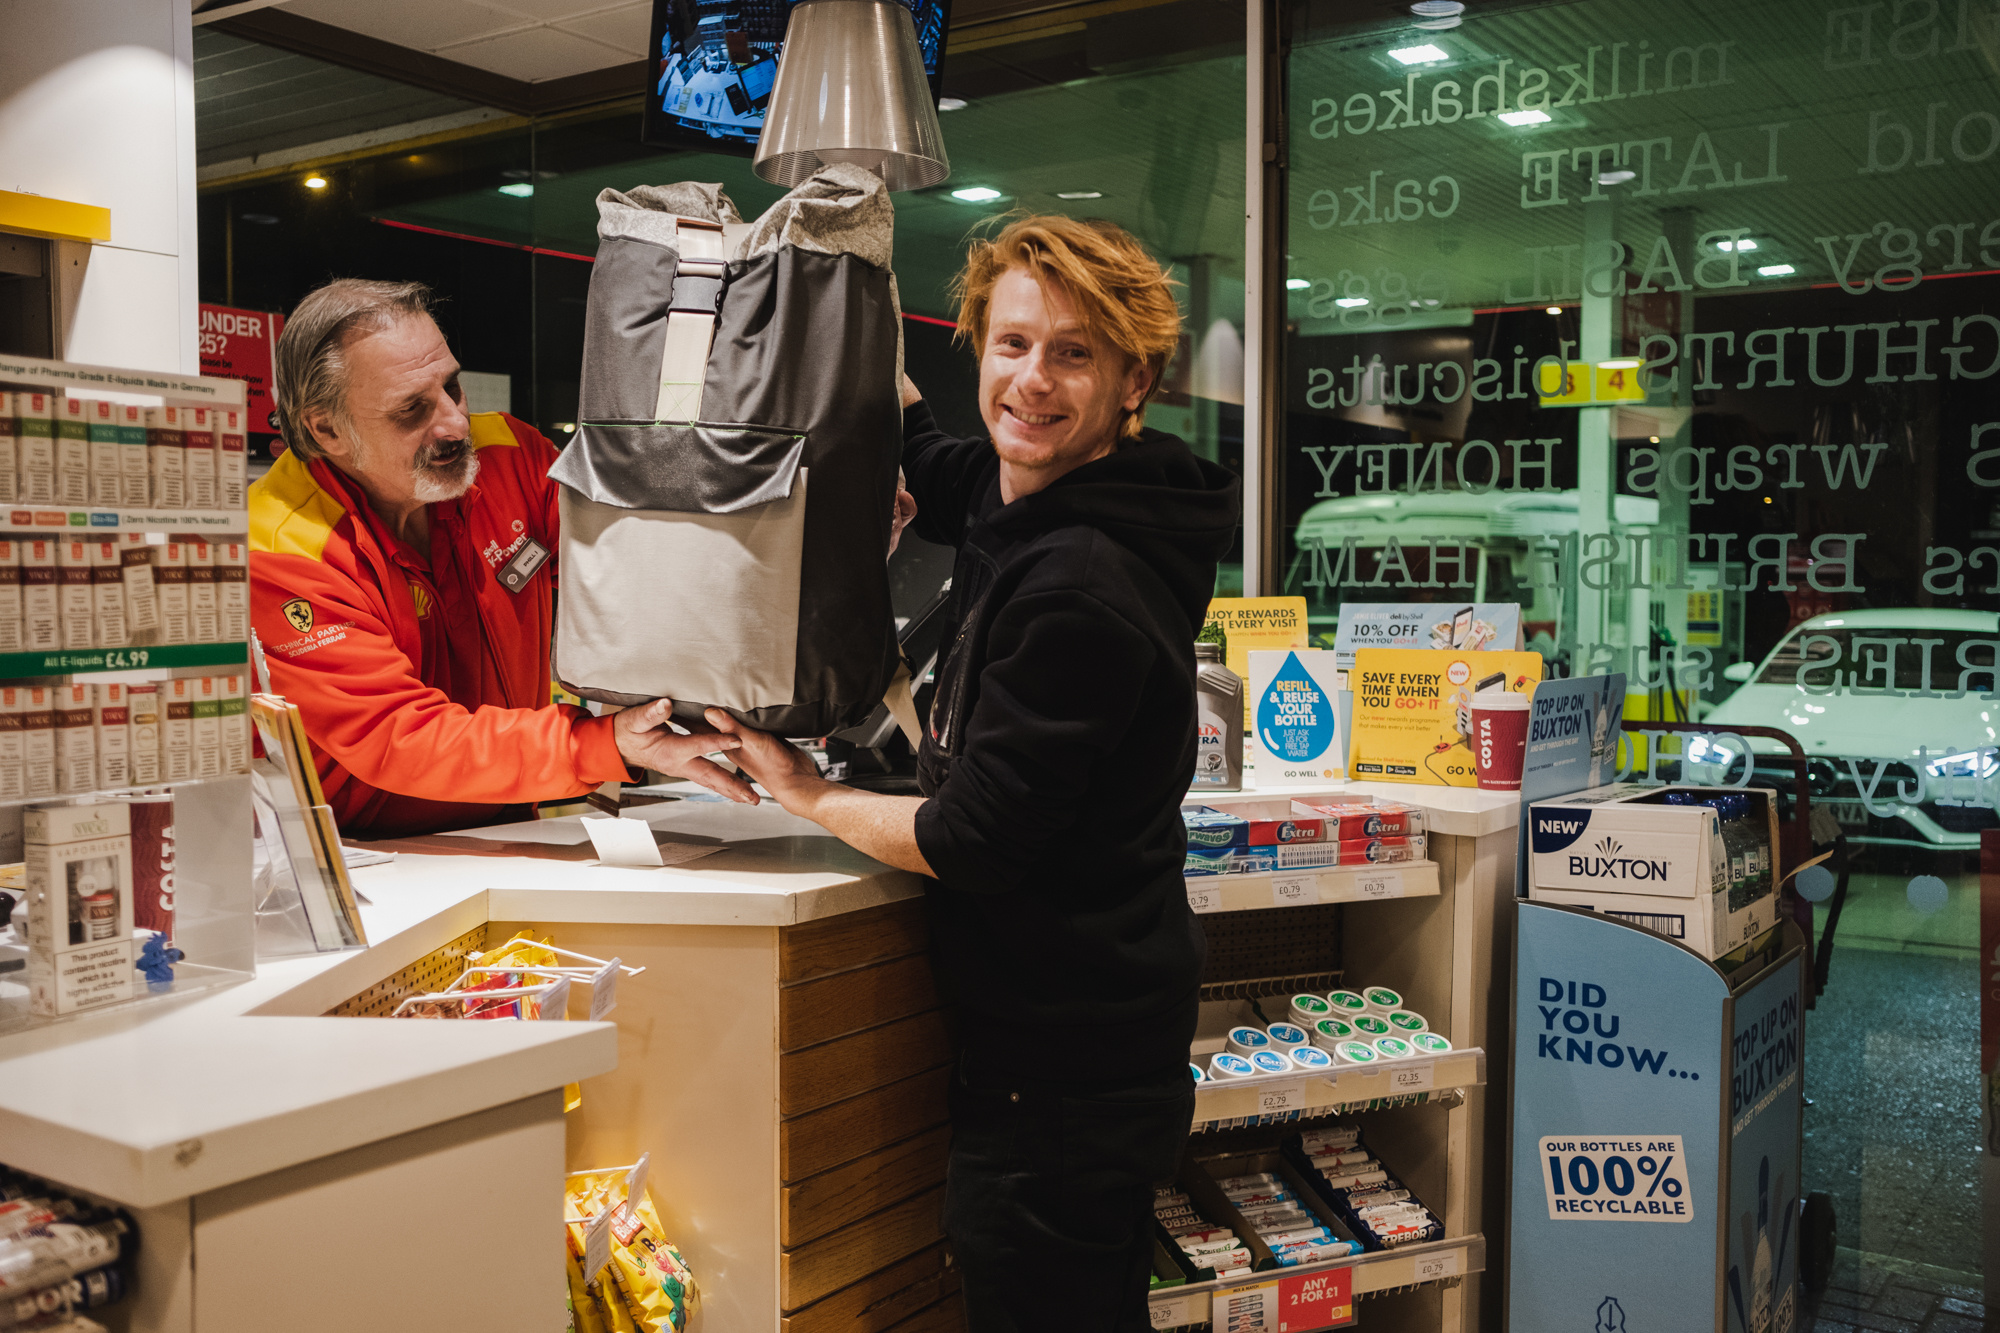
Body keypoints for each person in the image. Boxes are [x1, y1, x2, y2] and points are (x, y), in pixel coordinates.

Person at [712, 216, 1240, 1331]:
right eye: (1009, 345)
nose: (1030, 383)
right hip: (1089, 1036)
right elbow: (943, 466)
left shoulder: (1078, 586)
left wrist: (806, 792)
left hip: (1063, 1067)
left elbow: (974, 840)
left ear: (1134, 377)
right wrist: (847, 315)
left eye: (1072, 353)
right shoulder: (1066, 491)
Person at [250, 278, 753, 839]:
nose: (455, 424)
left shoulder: (509, 457)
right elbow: (397, 736)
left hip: (511, 827)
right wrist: (601, 743)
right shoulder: (277, 548)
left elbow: (635, 582)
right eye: (411, 410)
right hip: (366, 860)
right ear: (326, 429)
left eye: (452, 387)